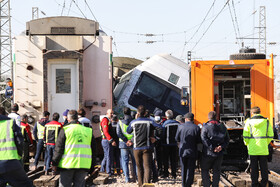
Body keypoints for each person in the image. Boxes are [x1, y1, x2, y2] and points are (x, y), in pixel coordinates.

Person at [52, 110, 96, 186]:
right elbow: (94, 150)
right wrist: (92, 166)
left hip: (67, 165)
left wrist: (54, 163)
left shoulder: (65, 130)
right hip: (83, 165)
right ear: (77, 119)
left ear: (68, 119)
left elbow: (59, 149)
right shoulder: (88, 131)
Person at [127, 105, 162, 186]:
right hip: (147, 147)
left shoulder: (133, 122)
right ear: (145, 112)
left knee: (139, 167)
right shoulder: (150, 121)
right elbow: (160, 128)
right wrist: (155, 138)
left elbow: (128, 131)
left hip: (136, 147)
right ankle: (146, 184)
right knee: (147, 167)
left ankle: (140, 184)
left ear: (138, 113)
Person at [0, 107, 33, 187]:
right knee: (25, 184)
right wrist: (19, 156)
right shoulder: (10, 122)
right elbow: (19, 141)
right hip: (10, 160)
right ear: (5, 114)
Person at [243, 106, 274, 187]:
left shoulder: (248, 122)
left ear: (252, 113)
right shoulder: (266, 121)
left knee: (254, 168)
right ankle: (264, 184)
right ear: (260, 112)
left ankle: (254, 184)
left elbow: (245, 136)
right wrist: (265, 143)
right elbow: (271, 135)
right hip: (263, 149)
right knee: (264, 168)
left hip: (253, 149)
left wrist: (247, 144)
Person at [201, 111, 229, 187]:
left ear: (208, 117)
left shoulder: (205, 127)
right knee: (217, 170)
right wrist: (221, 147)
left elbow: (203, 139)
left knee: (204, 169)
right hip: (219, 153)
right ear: (216, 117)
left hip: (208, 153)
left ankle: (206, 185)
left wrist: (212, 148)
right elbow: (227, 139)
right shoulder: (223, 126)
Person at [175, 113, 201, 187]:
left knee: (183, 168)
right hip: (192, 151)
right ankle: (188, 184)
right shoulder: (196, 127)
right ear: (192, 119)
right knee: (191, 168)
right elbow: (199, 140)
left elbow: (176, 138)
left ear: (186, 119)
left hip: (183, 150)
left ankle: (183, 184)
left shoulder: (180, 127)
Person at [117, 107, 137, 183]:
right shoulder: (134, 121)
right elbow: (136, 133)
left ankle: (127, 179)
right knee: (135, 161)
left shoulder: (120, 122)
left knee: (124, 161)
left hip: (123, 144)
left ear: (123, 112)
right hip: (133, 143)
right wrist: (131, 141)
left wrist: (126, 141)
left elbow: (119, 133)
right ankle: (136, 177)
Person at [162, 109, 179, 178]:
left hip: (166, 144)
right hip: (175, 144)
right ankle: (174, 173)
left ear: (166, 116)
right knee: (173, 160)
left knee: (166, 159)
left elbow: (163, 134)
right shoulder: (177, 123)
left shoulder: (165, 124)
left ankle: (166, 173)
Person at [100, 109, 116, 176]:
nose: (112, 114)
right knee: (108, 156)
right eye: (110, 113)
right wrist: (111, 140)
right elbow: (105, 131)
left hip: (106, 140)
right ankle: (108, 172)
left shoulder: (107, 120)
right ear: (107, 113)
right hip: (106, 140)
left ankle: (102, 170)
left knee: (106, 156)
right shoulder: (105, 120)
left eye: (112, 113)